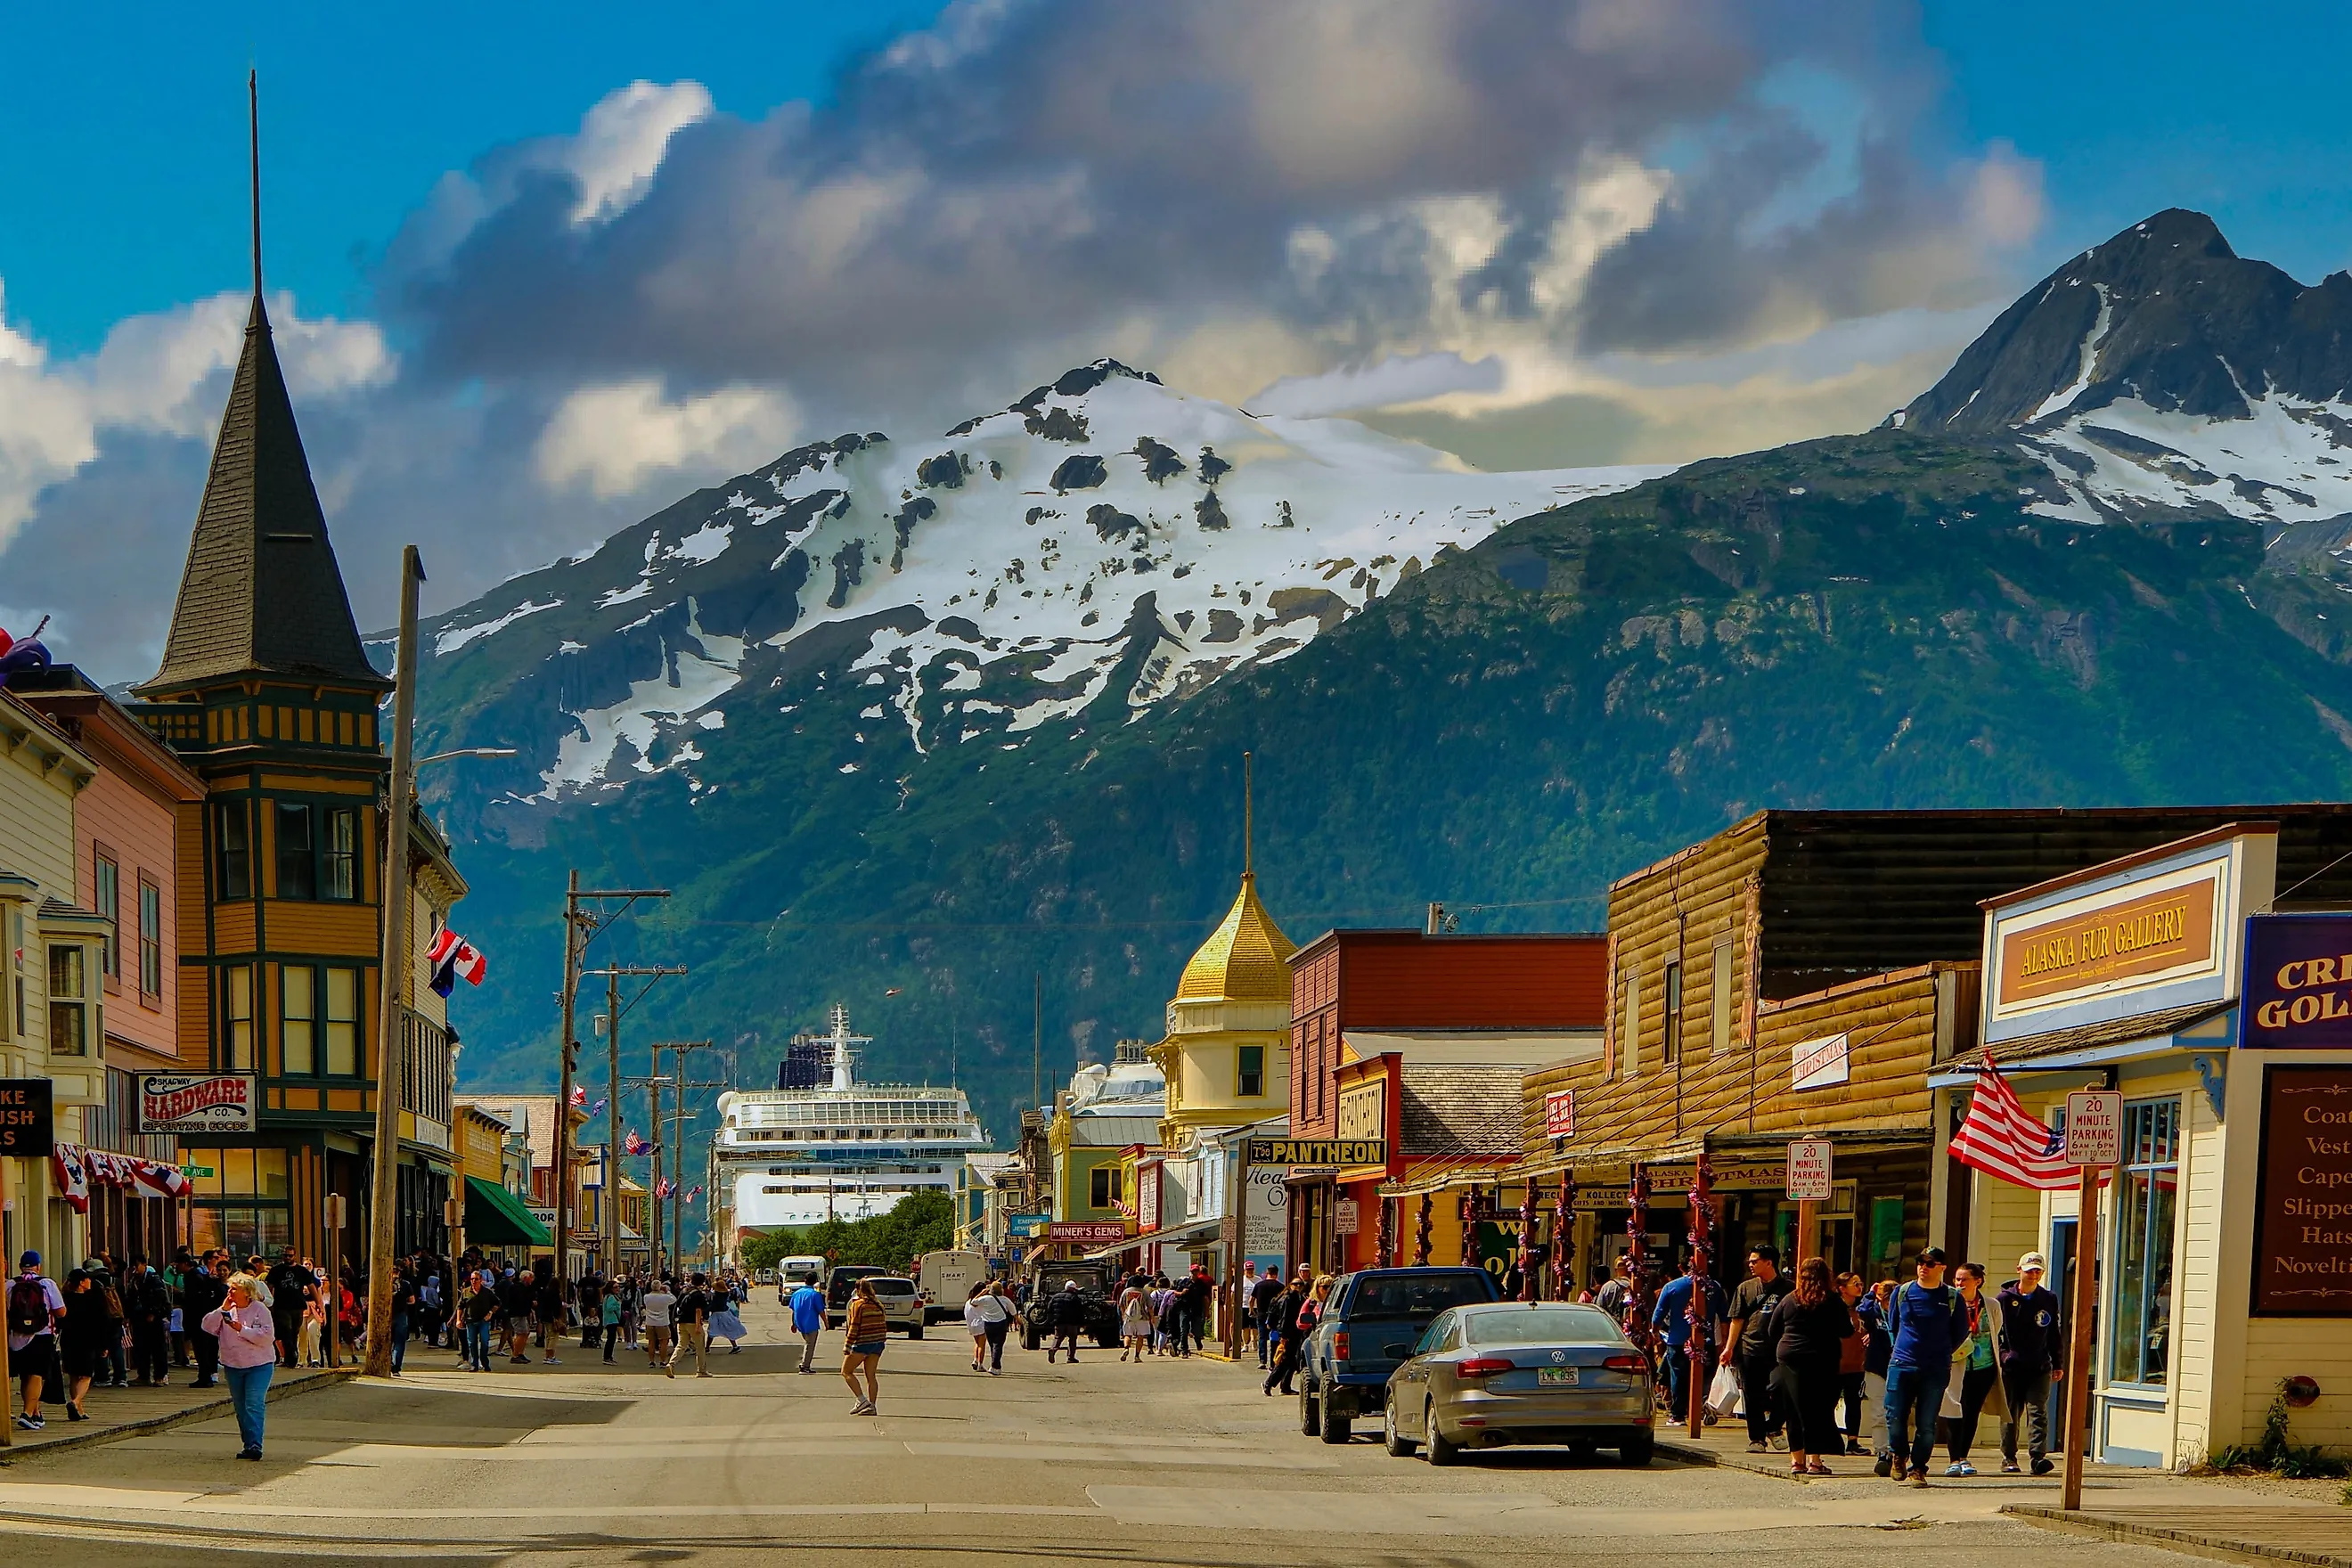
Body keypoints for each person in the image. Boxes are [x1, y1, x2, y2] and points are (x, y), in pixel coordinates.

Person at [1883, 1247, 1966, 1488]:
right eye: (1920, 1262)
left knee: (1927, 1423)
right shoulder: (1903, 1292)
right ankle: (1899, 1454)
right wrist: (1902, 1349)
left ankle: (1918, 1467)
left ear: (1942, 1268)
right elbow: (1894, 1325)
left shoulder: (1952, 1297)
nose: (1923, 1267)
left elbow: (1960, 1332)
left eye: (1930, 1263)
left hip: (1935, 1368)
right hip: (1902, 1363)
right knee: (1894, 1415)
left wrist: (1941, 1352)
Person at [1764, 1258, 1854, 1476]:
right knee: (1818, 1409)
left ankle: (1797, 1461)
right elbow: (1846, 1331)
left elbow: (1772, 1329)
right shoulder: (1833, 1301)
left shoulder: (1789, 1299)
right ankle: (1815, 1461)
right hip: (1822, 1358)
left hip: (1790, 1357)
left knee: (1794, 1408)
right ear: (1826, 1276)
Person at [1997, 1252, 2062, 1476]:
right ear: (2019, 1270)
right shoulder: (2004, 1299)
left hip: (2040, 1365)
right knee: (2011, 1414)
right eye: (2029, 1270)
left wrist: (2057, 1362)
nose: (2033, 1275)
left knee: (2038, 1412)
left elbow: (2053, 1332)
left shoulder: (2048, 1298)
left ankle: (2037, 1457)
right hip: (2012, 1366)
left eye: (2037, 1271)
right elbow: (1996, 1333)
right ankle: (2009, 1457)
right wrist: (2004, 1356)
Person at [1721, 1245, 1791, 1453]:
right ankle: (1757, 1439)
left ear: (1769, 1262)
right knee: (1752, 1395)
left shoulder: (1788, 1289)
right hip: (1749, 1347)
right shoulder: (1745, 1288)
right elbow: (1737, 1320)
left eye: (1755, 1261)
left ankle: (1774, 1427)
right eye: (1749, 1261)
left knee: (1782, 1388)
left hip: (1779, 1349)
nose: (1750, 1264)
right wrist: (1728, 1348)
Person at [204, 1272, 278, 1460]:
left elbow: (267, 1337)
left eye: (234, 1289)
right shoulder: (227, 1309)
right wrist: (222, 1309)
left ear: (247, 1292)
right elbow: (207, 1327)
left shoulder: (260, 1310)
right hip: (233, 1365)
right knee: (241, 1407)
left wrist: (241, 1329)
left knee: (254, 1404)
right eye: (230, 1288)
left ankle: (255, 1446)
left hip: (259, 1365)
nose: (230, 1291)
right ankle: (248, 1445)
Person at [1944, 1262, 2008, 1477]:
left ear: (1977, 1282)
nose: (1959, 1283)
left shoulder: (1991, 1305)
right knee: (1954, 1409)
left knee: (1971, 1413)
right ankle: (1953, 1459)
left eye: (1964, 1279)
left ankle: (1963, 1457)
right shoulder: (1949, 1303)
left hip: (1983, 1367)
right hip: (1956, 1365)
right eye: (1957, 1279)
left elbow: (1995, 1330)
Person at [1651, 1253, 1727, 1423]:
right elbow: (1724, 1318)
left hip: (1677, 1340)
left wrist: (1655, 1332)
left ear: (1680, 1267)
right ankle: (1703, 1405)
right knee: (1704, 1376)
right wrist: (1725, 1342)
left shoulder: (1672, 1287)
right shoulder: (1714, 1287)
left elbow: (1658, 1315)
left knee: (1678, 1377)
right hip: (1705, 1340)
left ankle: (1678, 1415)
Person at [9, 1251, 66, 1430]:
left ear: (20, 1266)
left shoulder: (10, 1284)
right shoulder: (46, 1284)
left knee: (25, 1374)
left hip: (16, 1337)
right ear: (38, 1266)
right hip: (42, 1334)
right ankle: (26, 1413)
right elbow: (61, 1311)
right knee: (37, 1375)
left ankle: (35, 1413)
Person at [1860, 1278, 1896, 1472]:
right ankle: (1881, 1451)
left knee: (1896, 1412)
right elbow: (1862, 1311)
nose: (1888, 1305)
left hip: (1899, 1366)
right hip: (1876, 1366)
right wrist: (1870, 1294)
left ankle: (1896, 1451)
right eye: (1884, 1300)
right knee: (1878, 1413)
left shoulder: (1904, 1312)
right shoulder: (1874, 1310)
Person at [1834, 1272, 1870, 1455]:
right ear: (1841, 1288)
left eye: (1860, 1283)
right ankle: (1830, 1439)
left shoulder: (1862, 1311)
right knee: (1828, 1402)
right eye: (1854, 1284)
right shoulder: (1833, 1309)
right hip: (1834, 1364)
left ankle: (1853, 1442)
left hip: (1856, 1364)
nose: (1859, 1287)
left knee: (1854, 1402)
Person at [841, 1279, 888, 1415]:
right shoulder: (878, 1304)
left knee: (846, 1371)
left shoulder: (858, 1304)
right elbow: (883, 1324)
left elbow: (854, 1326)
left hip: (862, 1343)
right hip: (877, 1344)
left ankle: (861, 1399)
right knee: (871, 1376)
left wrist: (847, 1345)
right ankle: (872, 1406)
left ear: (858, 1291)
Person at [184, 1252, 229, 1389]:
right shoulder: (201, 1276)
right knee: (207, 1348)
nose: (218, 1260)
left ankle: (207, 1376)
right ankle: (208, 1375)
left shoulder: (204, 1279)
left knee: (205, 1348)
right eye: (216, 1258)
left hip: (206, 1318)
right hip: (207, 1318)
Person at [125, 1261, 172, 1387]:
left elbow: (160, 1297)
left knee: (158, 1348)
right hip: (139, 1317)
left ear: (143, 1265)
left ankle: (160, 1376)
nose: (135, 1269)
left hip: (154, 1318)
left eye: (136, 1266)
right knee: (141, 1347)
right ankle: (143, 1375)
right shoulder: (134, 1280)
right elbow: (131, 1298)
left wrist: (154, 1313)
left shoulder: (154, 1279)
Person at [461, 1270, 502, 1372]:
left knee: (484, 1341)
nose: (474, 1281)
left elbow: (497, 1303)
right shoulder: (466, 1291)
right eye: (472, 1279)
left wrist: (491, 1313)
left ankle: (485, 1362)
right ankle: (474, 1364)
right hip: (470, 1320)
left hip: (483, 1320)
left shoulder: (487, 1292)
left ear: (481, 1280)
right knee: (472, 1342)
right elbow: (460, 1306)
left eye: (476, 1279)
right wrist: (458, 1320)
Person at [674, 1274, 714, 1377]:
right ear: (702, 1282)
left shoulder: (684, 1291)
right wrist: (697, 1326)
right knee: (700, 1347)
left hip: (681, 1321)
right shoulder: (698, 1294)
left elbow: (677, 1305)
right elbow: (698, 1310)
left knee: (681, 1345)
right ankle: (701, 1371)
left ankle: (671, 1364)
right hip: (693, 1322)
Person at [974, 1280, 1015, 1375]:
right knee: (998, 1345)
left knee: (992, 1345)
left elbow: (973, 1302)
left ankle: (995, 1365)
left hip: (988, 1324)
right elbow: (1013, 1312)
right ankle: (995, 1366)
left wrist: (982, 1293)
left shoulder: (986, 1299)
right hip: (1001, 1324)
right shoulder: (1005, 1300)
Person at [1044, 1279, 1089, 1363]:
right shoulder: (1075, 1298)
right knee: (1072, 1339)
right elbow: (1080, 1312)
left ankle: (1053, 1349)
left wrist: (1051, 1320)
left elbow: (1049, 1309)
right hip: (1072, 1323)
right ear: (1073, 1289)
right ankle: (1070, 1357)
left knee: (1058, 1338)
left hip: (1059, 1322)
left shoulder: (1055, 1296)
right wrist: (1083, 1323)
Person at [788, 1276, 826, 1374]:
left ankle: (805, 1364)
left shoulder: (796, 1293)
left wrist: (793, 1323)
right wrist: (826, 1322)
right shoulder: (815, 1294)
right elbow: (821, 1310)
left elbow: (793, 1309)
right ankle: (805, 1366)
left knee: (808, 1343)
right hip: (811, 1322)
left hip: (799, 1322)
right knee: (810, 1345)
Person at [1249, 1267, 1284, 1369]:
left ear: (1267, 1273)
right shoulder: (1281, 1286)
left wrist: (1252, 1310)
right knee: (1275, 1338)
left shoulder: (1259, 1285)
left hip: (1262, 1314)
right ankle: (1274, 1362)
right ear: (1276, 1274)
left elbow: (1251, 1299)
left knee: (1262, 1337)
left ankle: (1263, 1360)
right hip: (1276, 1315)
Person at [641, 1277, 678, 1373]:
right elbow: (674, 1299)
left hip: (650, 1322)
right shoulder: (665, 1297)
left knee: (651, 1343)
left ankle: (651, 1361)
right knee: (663, 1343)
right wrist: (667, 1292)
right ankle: (662, 1361)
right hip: (663, 1322)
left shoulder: (646, 1297)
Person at [1117, 1273, 1155, 1362]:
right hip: (1142, 1317)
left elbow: (1121, 1304)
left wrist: (1123, 1315)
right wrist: (1152, 1317)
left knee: (1127, 1335)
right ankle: (1137, 1356)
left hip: (1129, 1317)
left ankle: (1126, 1348)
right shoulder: (1144, 1292)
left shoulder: (1126, 1292)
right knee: (1140, 1337)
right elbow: (1150, 1306)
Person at [966, 1281, 998, 1371]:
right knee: (982, 1345)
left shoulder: (968, 1302)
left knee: (977, 1343)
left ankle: (975, 1360)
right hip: (980, 1325)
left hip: (971, 1325)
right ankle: (980, 1364)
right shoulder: (978, 1302)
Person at [709, 1286, 747, 1354]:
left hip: (718, 1314)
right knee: (727, 1330)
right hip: (725, 1313)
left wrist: (705, 1310)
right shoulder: (725, 1295)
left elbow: (713, 1306)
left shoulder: (717, 1296)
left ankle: (707, 1348)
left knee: (711, 1331)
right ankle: (735, 1347)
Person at [599, 1283, 623, 1363]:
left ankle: (609, 1357)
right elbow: (609, 1308)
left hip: (611, 1320)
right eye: (615, 1287)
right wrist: (618, 1305)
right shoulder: (611, 1297)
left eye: (618, 1287)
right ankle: (607, 1357)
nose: (617, 1288)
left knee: (611, 1339)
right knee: (611, 1340)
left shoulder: (608, 1296)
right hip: (611, 1320)